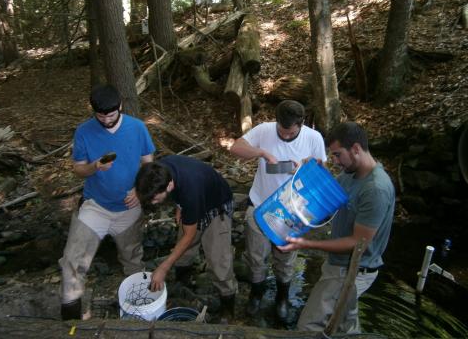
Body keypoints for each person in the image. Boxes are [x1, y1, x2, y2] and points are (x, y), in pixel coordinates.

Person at [278, 121, 395, 333]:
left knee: (308, 326)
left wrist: (306, 244)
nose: (335, 161)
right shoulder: (350, 175)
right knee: (344, 326)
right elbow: (329, 198)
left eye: (338, 154)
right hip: (341, 265)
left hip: (352, 270)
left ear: (356, 149)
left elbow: (356, 243)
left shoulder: (375, 189)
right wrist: (314, 173)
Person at [59, 84, 156, 320]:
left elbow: (148, 162)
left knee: (133, 261)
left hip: (130, 208)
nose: (105, 120)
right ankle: (70, 320)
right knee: (72, 261)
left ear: (120, 107)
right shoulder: (84, 131)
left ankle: (139, 315)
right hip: (96, 207)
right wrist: (94, 167)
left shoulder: (137, 127)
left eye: (110, 115)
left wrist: (139, 190)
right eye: (100, 116)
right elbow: (78, 169)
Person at [230, 100, 327, 320]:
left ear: (301, 124)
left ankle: (281, 299)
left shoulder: (314, 138)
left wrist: (306, 168)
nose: (284, 136)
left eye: (289, 133)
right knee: (256, 257)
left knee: (285, 259)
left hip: (292, 211)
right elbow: (235, 147)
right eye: (281, 132)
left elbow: (322, 174)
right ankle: (256, 295)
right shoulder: (265, 130)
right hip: (260, 205)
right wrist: (262, 152)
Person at [135, 155, 238, 323]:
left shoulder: (190, 191)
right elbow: (179, 192)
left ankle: (228, 306)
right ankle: (184, 281)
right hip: (193, 199)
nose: (153, 203)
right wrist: (179, 205)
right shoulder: (158, 170)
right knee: (183, 251)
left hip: (216, 206)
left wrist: (163, 268)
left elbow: (189, 235)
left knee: (219, 260)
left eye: (155, 198)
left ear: (169, 186)